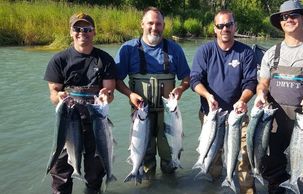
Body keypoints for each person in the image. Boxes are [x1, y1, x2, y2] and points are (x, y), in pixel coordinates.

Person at [254, 1, 303, 193]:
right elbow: (263, 84)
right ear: (280, 22)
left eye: (293, 15)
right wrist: (260, 93)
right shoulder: (271, 54)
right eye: (284, 17)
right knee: (274, 171)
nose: (288, 19)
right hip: (275, 121)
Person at [44, 13, 116, 194]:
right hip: (67, 124)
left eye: (87, 29)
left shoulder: (104, 59)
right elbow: (53, 94)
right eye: (77, 28)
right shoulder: (59, 60)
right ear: (71, 32)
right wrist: (59, 97)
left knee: (95, 174)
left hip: (96, 124)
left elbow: (110, 93)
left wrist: (105, 96)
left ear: (94, 32)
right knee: (61, 173)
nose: (82, 32)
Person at [115, 7, 190, 176]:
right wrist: (130, 94)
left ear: (164, 26)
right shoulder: (127, 49)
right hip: (141, 114)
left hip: (168, 114)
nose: (154, 27)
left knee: (169, 155)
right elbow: (116, 81)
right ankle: (149, 184)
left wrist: (181, 88)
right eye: (150, 23)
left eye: (158, 24)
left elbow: (187, 77)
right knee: (145, 157)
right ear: (142, 24)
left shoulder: (175, 49)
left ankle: (171, 184)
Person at [190, 9, 258, 193]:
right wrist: (207, 95)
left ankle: (247, 190)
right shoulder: (205, 51)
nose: (225, 29)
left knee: (243, 157)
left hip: (238, 116)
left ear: (235, 26)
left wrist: (243, 100)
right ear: (215, 29)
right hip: (211, 115)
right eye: (220, 26)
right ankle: (214, 185)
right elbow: (194, 79)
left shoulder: (246, 53)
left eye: (228, 24)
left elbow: (251, 82)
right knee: (213, 157)